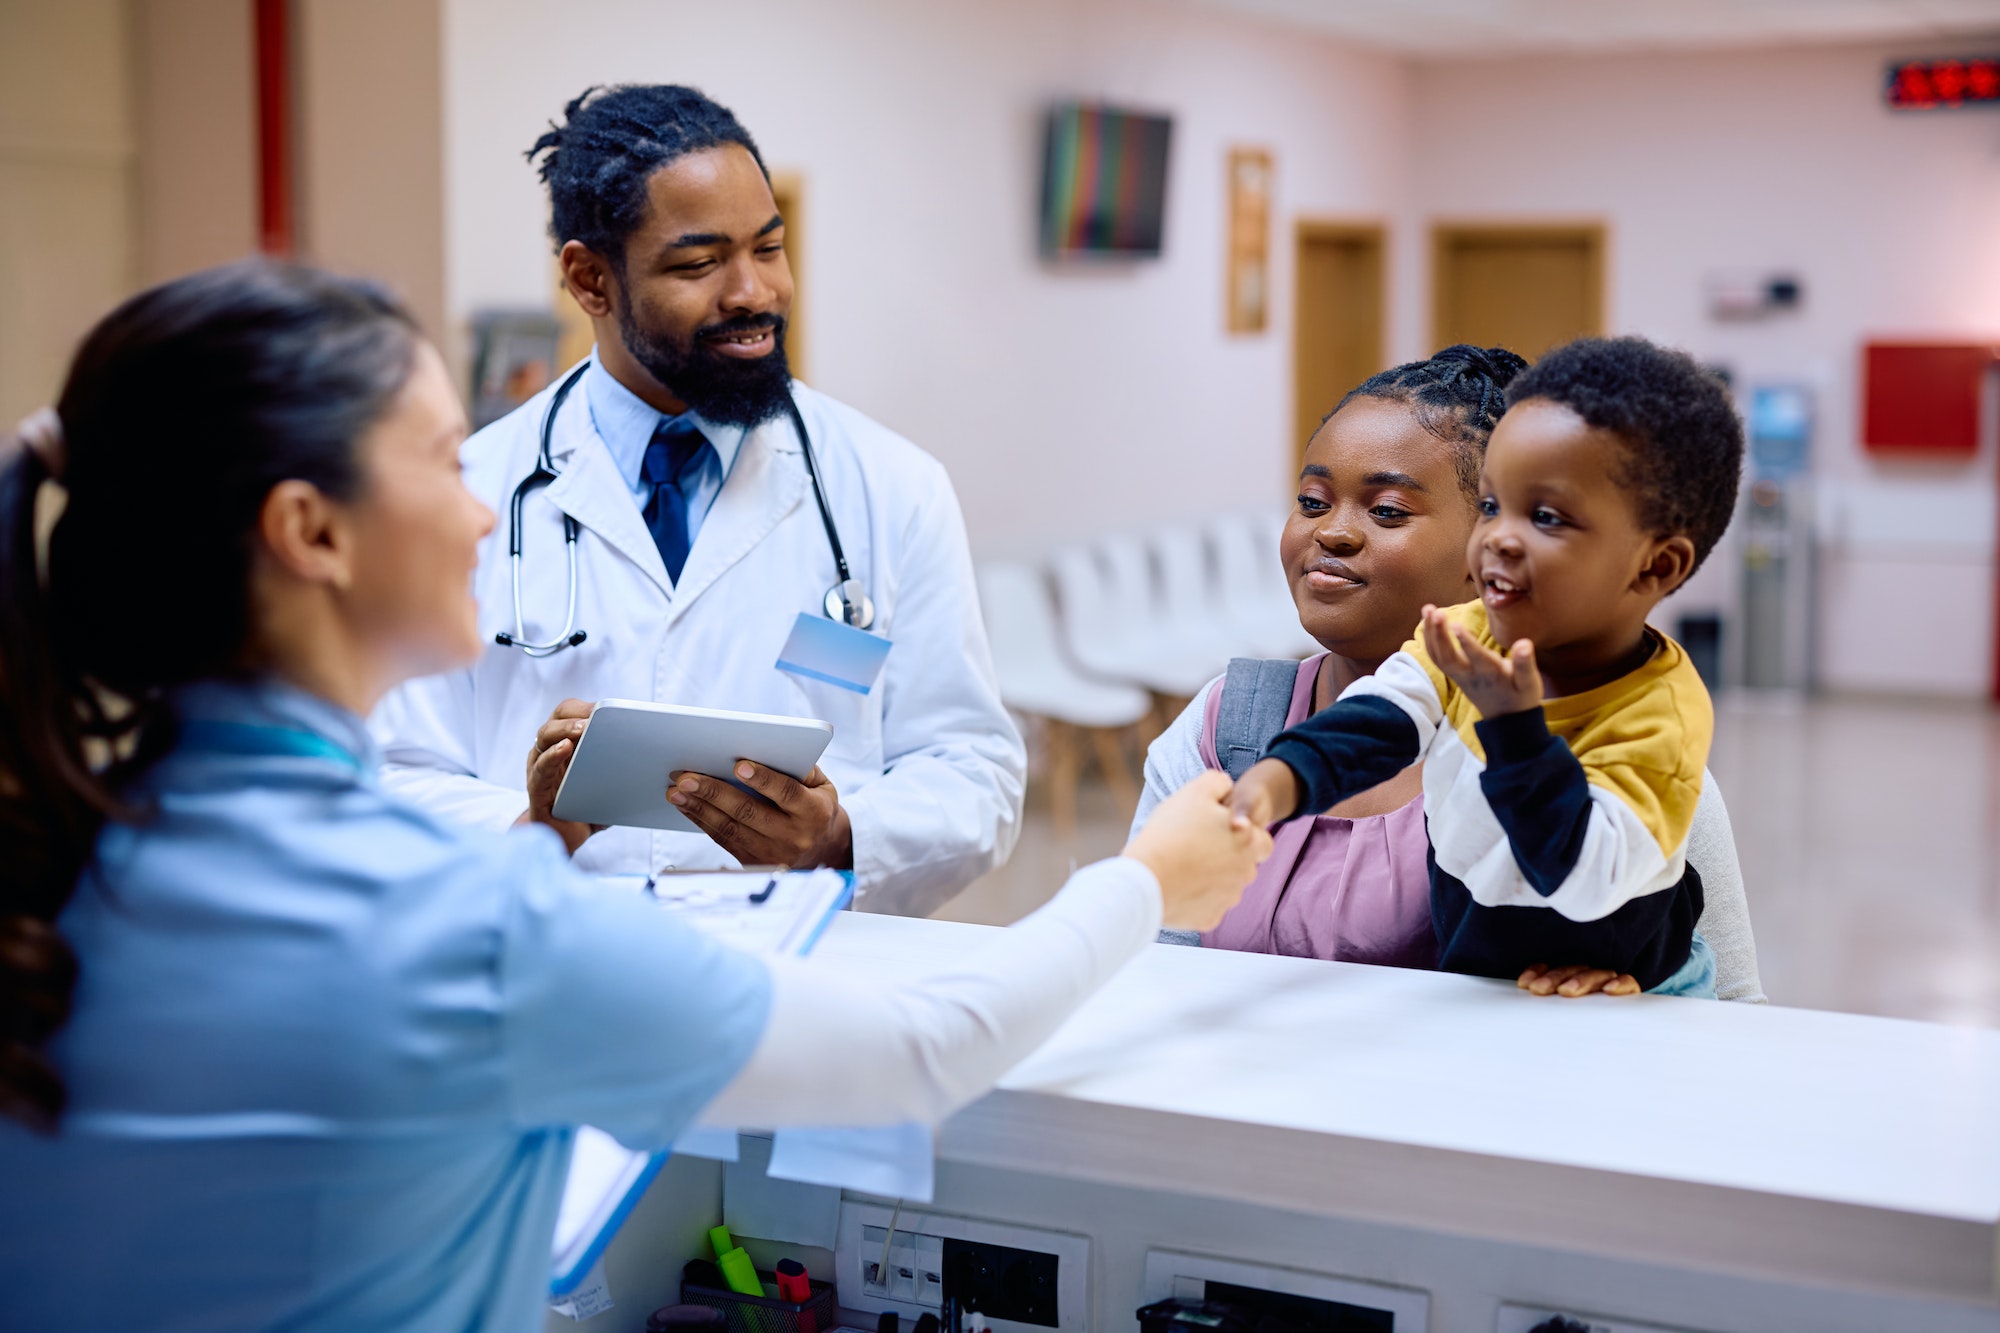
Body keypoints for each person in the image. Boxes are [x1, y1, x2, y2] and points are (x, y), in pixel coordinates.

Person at [0, 261, 1270, 1331]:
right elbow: (916, 1055)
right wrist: (1144, 880)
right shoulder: (460, 916)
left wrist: (578, 835)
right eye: (444, 461)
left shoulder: (54, 863)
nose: (485, 502)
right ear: (310, 533)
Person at [370, 85, 1022, 916]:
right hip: (557, 965)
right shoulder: (471, 491)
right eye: (698, 263)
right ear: (589, 279)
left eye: (770, 248)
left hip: (807, 980)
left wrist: (840, 836)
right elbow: (394, 773)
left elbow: (973, 769)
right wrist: (529, 827)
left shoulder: (891, 486)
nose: (754, 293)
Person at [1134, 348, 1764, 1001]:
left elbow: (1727, 1002)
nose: (1333, 533)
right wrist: (1277, 778)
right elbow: (1151, 969)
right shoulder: (1224, 724)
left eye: (1388, 510)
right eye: (1313, 500)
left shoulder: (1641, 726)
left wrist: (1516, 730)